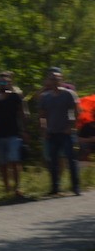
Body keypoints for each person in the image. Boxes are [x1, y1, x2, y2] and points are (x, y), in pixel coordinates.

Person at [37, 67, 80, 196]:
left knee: (71, 160)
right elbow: (42, 115)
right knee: (53, 161)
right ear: (48, 80)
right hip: (52, 133)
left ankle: (75, 187)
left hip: (65, 132)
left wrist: (71, 127)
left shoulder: (68, 94)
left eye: (57, 79)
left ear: (61, 80)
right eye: (52, 79)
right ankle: (55, 188)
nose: (55, 81)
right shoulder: (45, 97)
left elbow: (76, 112)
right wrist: (44, 130)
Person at [0, 71, 25, 198]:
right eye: (1, 81)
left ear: (9, 82)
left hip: (13, 133)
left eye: (5, 81)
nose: (3, 83)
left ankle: (17, 187)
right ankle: (6, 188)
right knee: (2, 163)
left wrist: (24, 130)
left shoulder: (15, 97)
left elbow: (22, 114)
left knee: (14, 160)